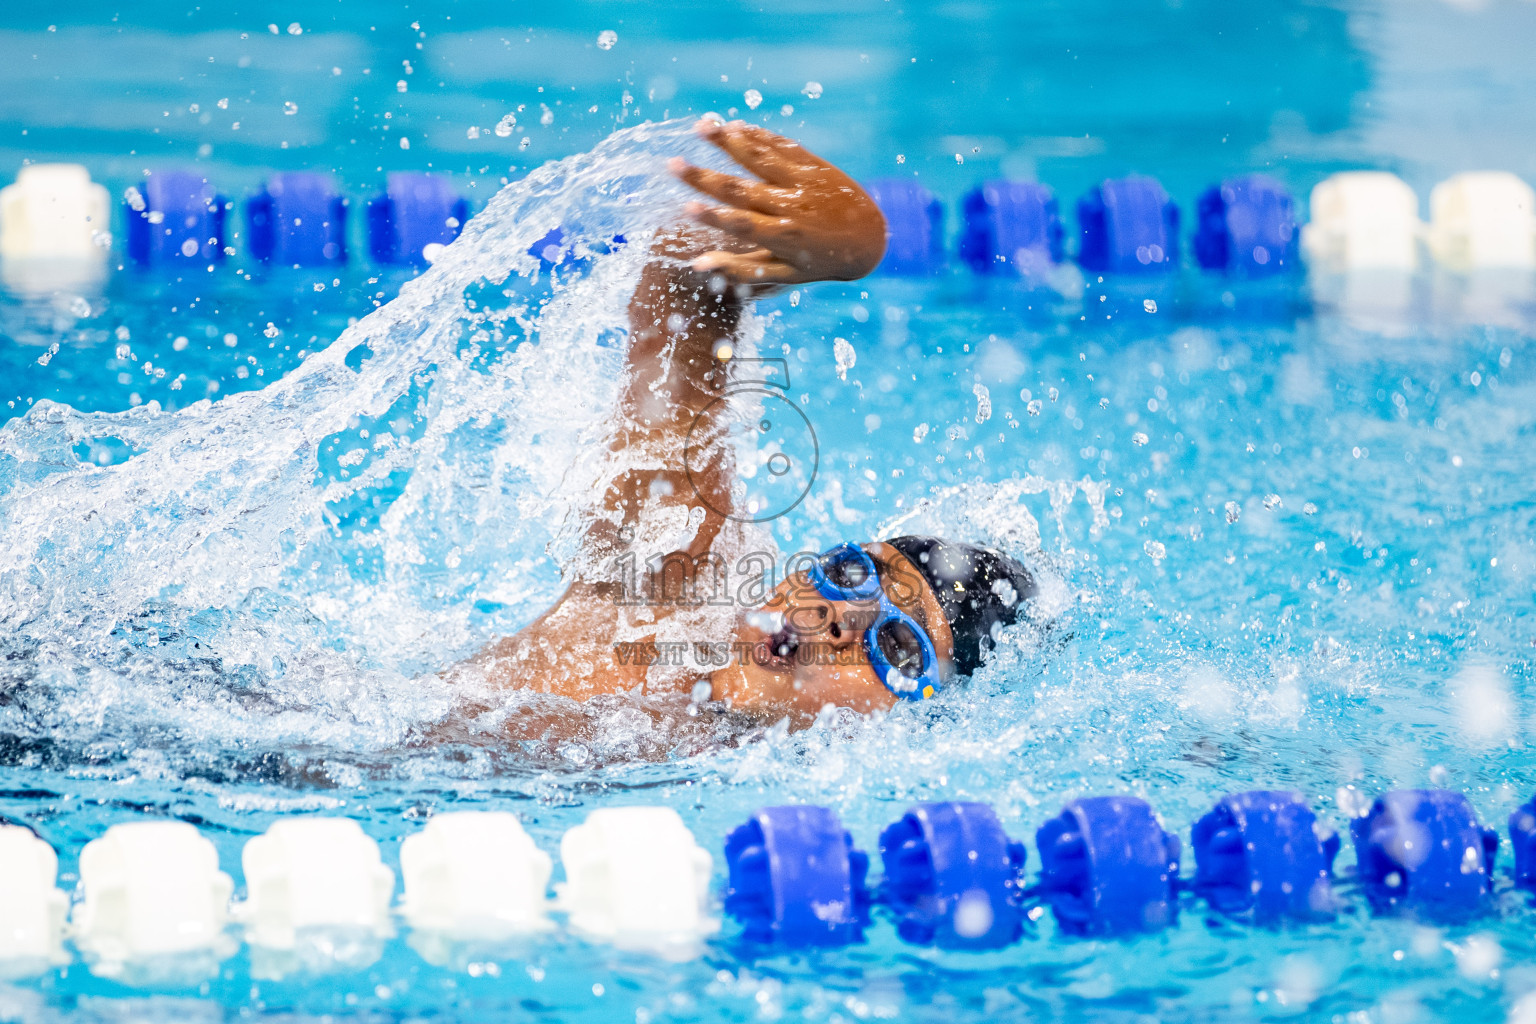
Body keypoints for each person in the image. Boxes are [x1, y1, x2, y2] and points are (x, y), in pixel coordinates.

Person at [461, 119, 1039, 730]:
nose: (841, 618)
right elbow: (683, 289)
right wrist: (850, 243)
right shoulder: (668, 590)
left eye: (898, 646)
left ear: (917, 716)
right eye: (850, 574)